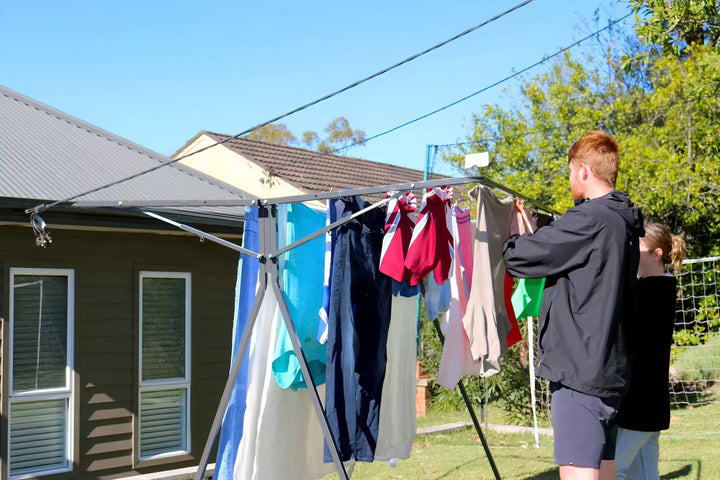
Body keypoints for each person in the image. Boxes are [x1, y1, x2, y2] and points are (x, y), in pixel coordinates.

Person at [502, 130, 645, 480]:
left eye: (569, 172)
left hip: (580, 374)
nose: (569, 180)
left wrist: (512, 237)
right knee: (604, 470)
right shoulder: (620, 223)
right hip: (607, 372)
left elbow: (521, 259)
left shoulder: (590, 220)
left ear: (583, 170)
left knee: (579, 474)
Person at [615, 223, 685, 480]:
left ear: (657, 254)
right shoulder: (655, 288)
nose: (632, 252)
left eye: (638, 248)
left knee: (613, 472)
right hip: (647, 405)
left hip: (639, 404)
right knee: (644, 475)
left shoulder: (653, 291)